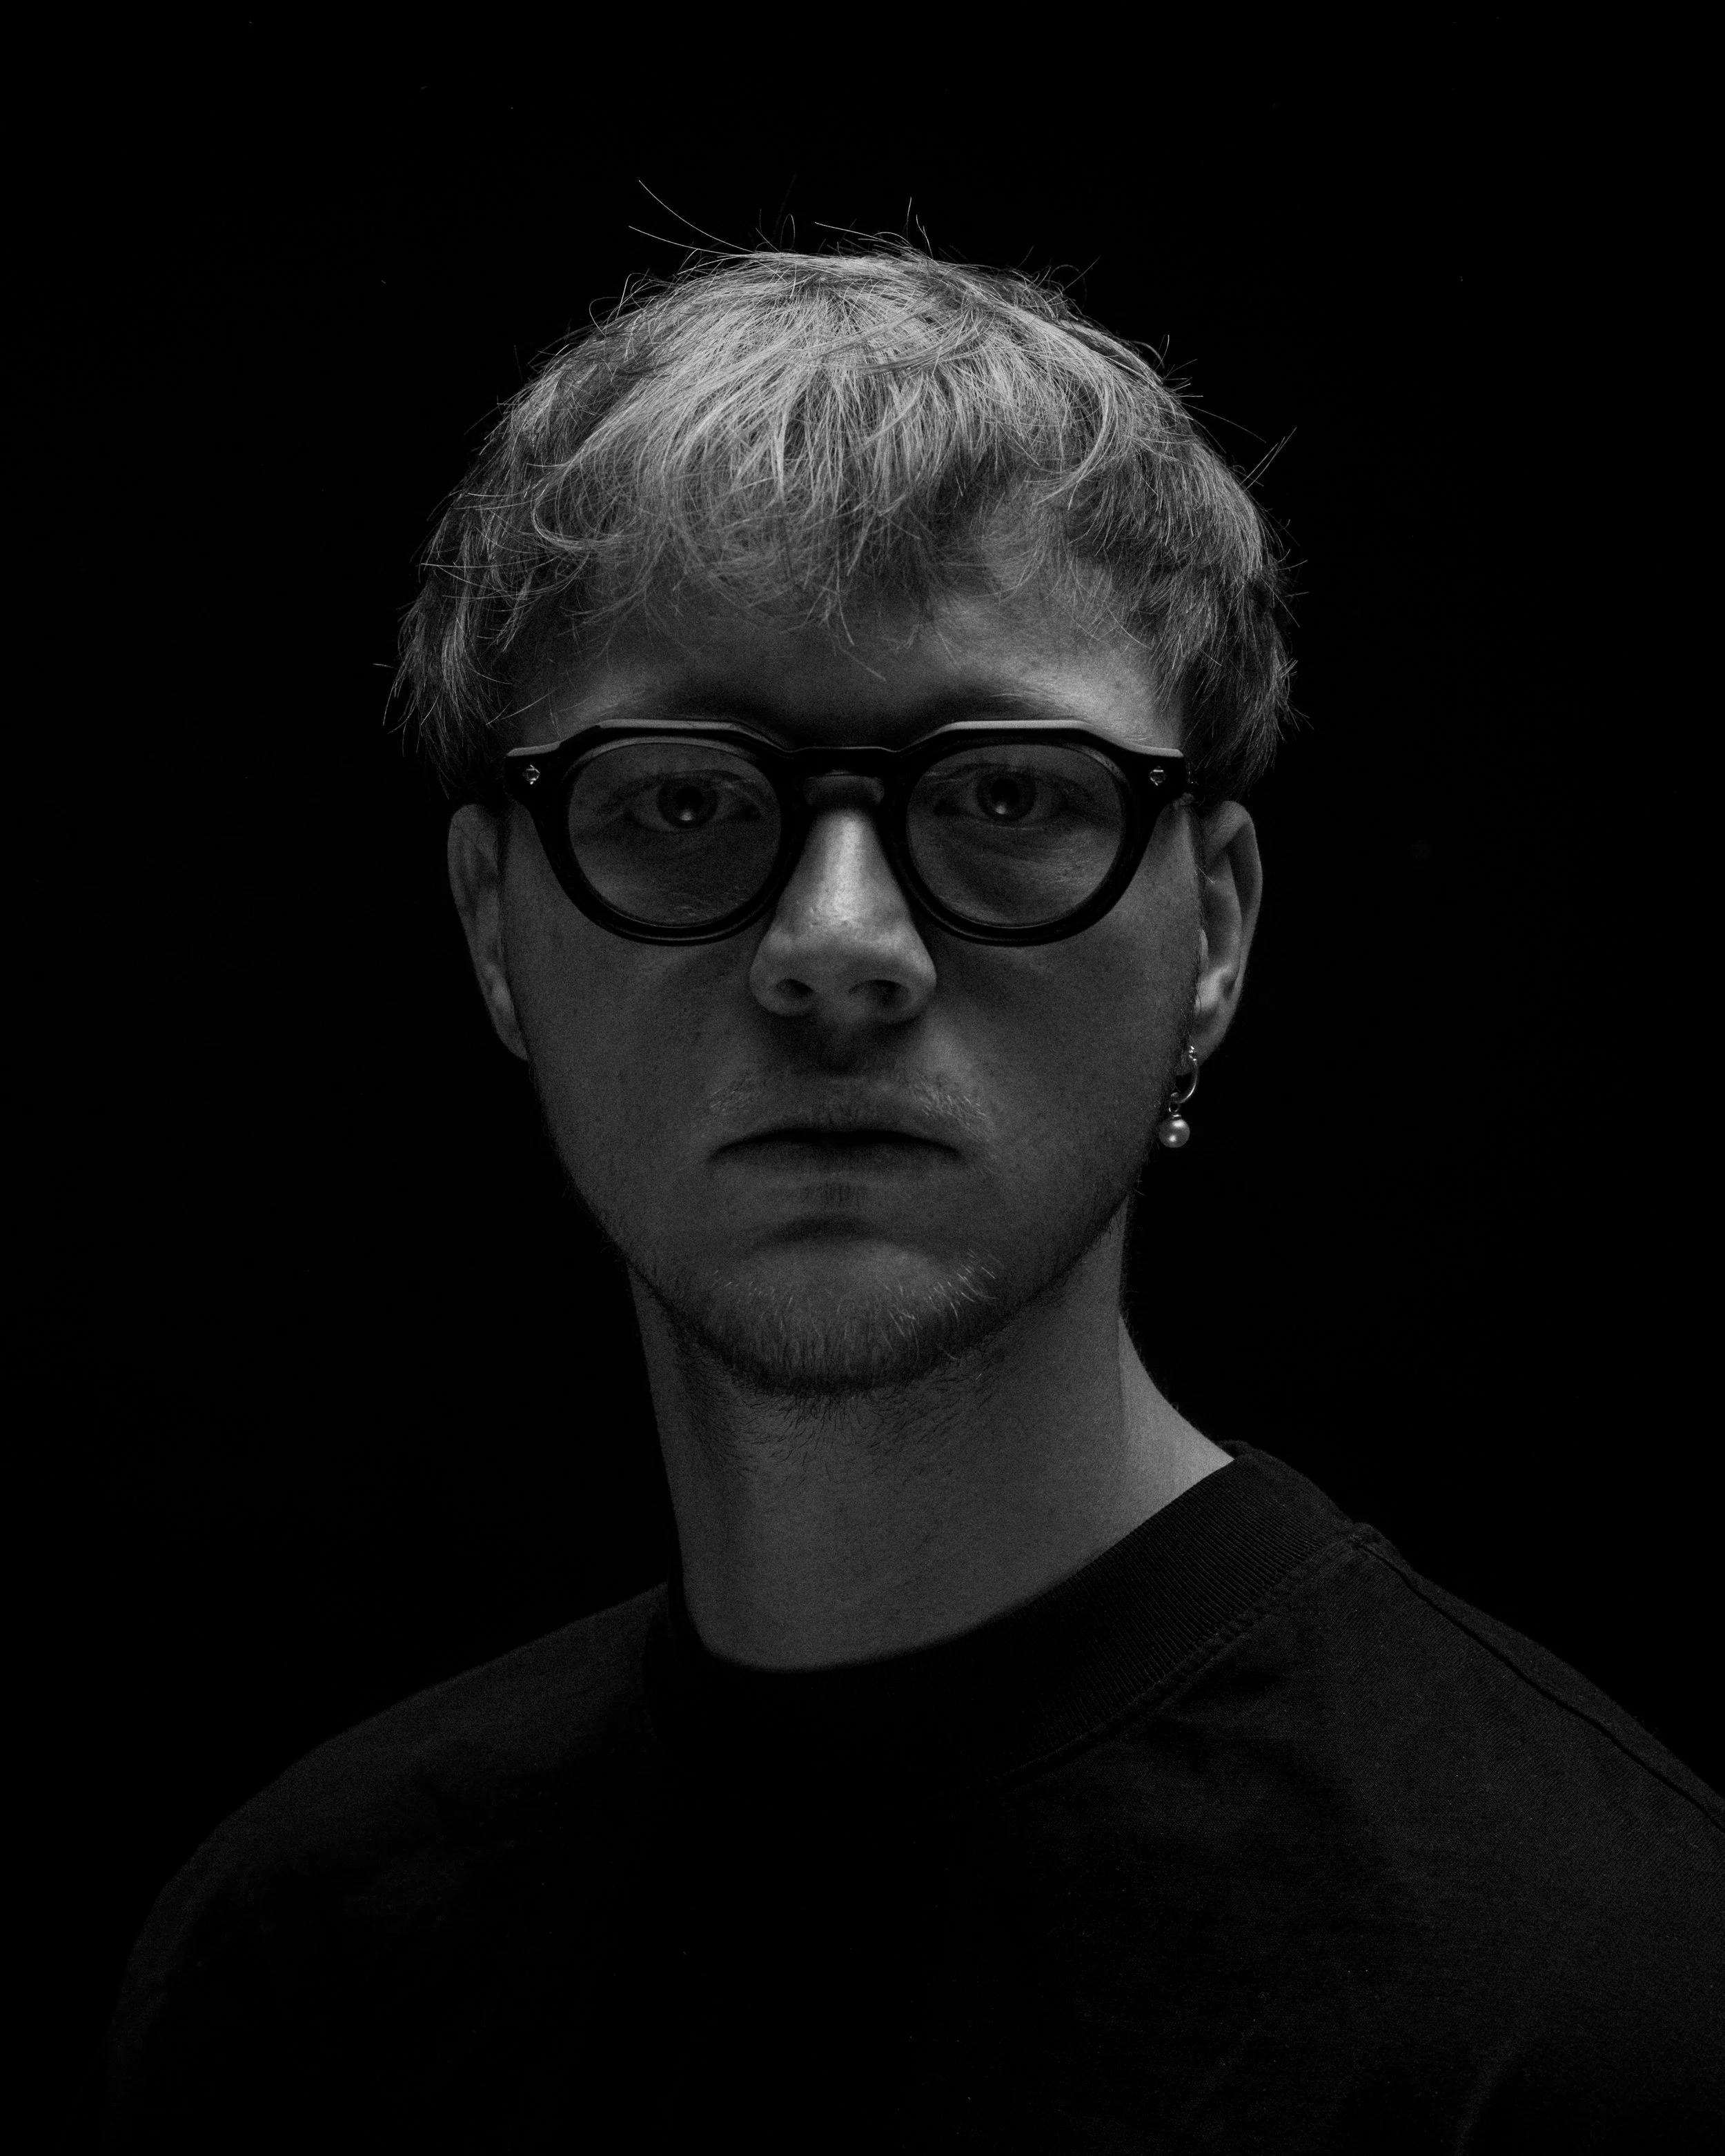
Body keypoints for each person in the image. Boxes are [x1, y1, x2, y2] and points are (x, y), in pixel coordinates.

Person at [100, 250, 1722, 2150]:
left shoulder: (1594, 2001)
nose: (837, 945)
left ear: (1209, 930)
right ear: (490, 926)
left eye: (1009, 797)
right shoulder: (299, 1978)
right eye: (683, 800)